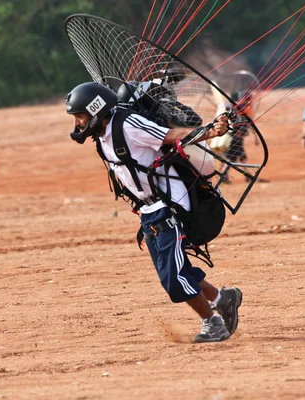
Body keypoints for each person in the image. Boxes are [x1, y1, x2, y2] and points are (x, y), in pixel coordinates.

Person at [65, 82, 243, 343]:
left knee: (174, 279)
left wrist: (207, 132)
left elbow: (169, 135)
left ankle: (212, 324)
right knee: (175, 271)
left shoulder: (128, 124)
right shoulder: (102, 135)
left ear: (96, 110)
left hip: (169, 206)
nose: (78, 123)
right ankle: (222, 298)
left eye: (80, 115)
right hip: (149, 211)